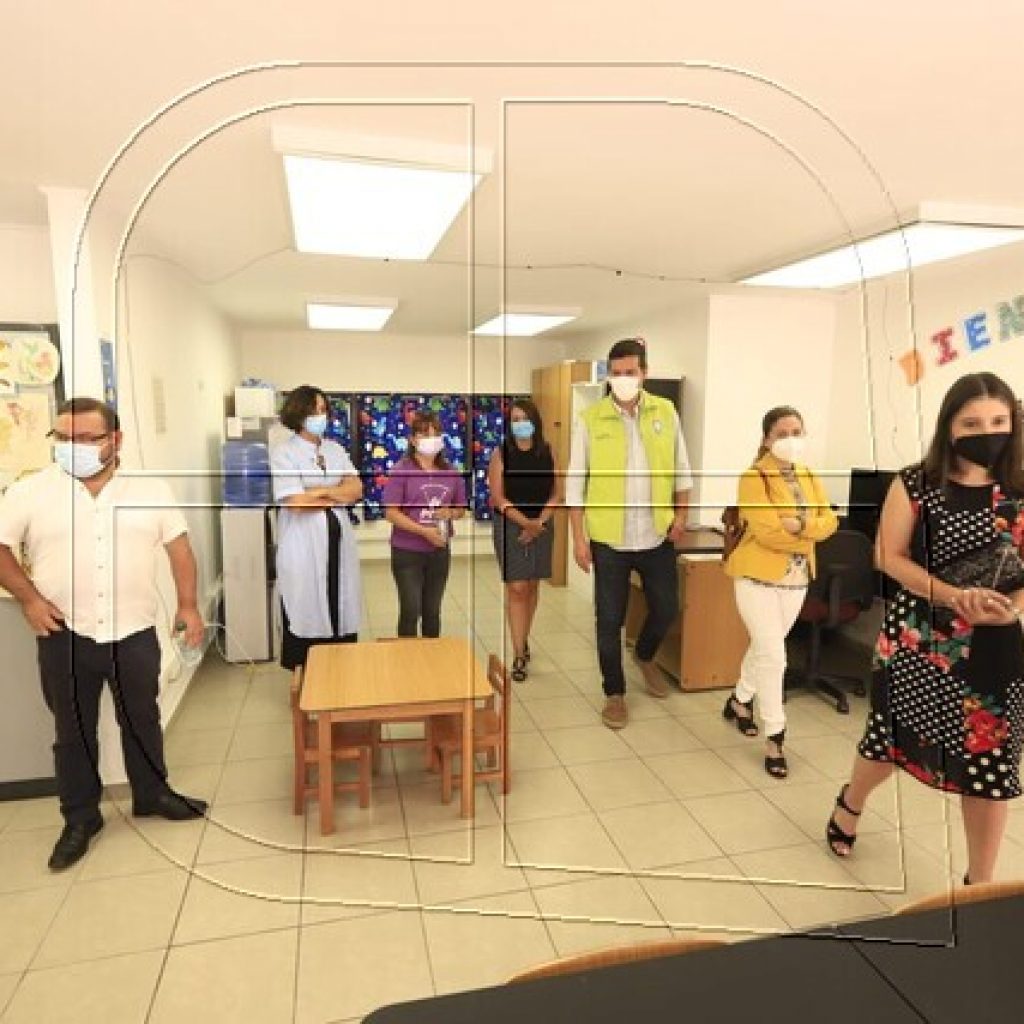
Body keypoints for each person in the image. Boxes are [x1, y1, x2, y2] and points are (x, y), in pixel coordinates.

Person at [826, 372, 1024, 886]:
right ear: (949, 426)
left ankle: (980, 885)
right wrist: (953, 596)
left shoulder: (1020, 487)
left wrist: (1009, 607)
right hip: (921, 639)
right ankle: (851, 802)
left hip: (993, 645)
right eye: (972, 423)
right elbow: (888, 556)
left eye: (998, 421)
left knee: (989, 763)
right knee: (891, 740)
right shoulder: (917, 483)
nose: (988, 432)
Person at [0, 397, 208, 871]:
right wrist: (30, 599)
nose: (71, 447)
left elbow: (180, 550)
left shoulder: (150, 490)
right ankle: (80, 818)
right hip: (64, 633)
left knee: (142, 718)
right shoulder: (30, 492)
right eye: (62, 438)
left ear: (115, 440)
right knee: (72, 732)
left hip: (132, 630)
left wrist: (188, 606)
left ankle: (152, 793)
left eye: (85, 438)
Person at [567, 337, 693, 730]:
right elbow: (575, 482)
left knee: (667, 608)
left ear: (644, 373)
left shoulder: (665, 411)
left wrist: (681, 516)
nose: (623, 379)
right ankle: (615, 693)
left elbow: (682, 469)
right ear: (609, 375)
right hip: (610, 538)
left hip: (656, 534)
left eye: (630, 372)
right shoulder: (590, 418)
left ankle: (645, 655)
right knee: (609, 619)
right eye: (616, 373)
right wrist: (578, 538)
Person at [723, 406, 838, 778]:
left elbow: (830, 522)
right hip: (755, 577)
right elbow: (768, 532)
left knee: (764, 647)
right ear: (767, 439)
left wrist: (798, 525)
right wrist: (809, 530)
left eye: (797, 431)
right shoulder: (754, 477)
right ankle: (775, 736)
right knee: (774, 656)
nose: (791, 439)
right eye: (782, 433)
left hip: (797, 578)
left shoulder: (808, 474)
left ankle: (739, 700)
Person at [271, 386, 364, 670]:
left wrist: (318, 491)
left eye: (323, 410)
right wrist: (335, 491)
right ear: (298, 413)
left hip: (339, 546)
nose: (320, 416)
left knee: (340, 606)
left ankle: (339, 675)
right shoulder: (284, 453)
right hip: (303, 549)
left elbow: (356, 489)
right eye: (314, 410)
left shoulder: (335, 449)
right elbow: (297, 503)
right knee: (306, 608)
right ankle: (306, 680)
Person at [488, 398, 560, 681]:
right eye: (515, 419)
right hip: (509, 525)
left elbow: (557, 493)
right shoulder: (501, 454)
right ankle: (519, 653)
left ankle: (524, 637)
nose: (520, 424)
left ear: (535, 421)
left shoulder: (549, 451)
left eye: (525, 418)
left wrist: (538, 523)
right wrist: (525, 524)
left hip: (542, 524)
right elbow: (498, 497)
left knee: (531, 585)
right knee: (517, 587)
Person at [382, 408, 467, 637]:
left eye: (435, 433)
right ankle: (407, 655)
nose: (431, 439)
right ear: (412, 440)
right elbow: (391, 513)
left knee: (432, 612)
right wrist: (423, 531)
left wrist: (451, 513)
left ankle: (431, 655)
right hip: (407, 552)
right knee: (411, 610)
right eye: (424, 434)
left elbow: (461, 509)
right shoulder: (401, 471)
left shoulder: (451, 472)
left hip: (439, 551)